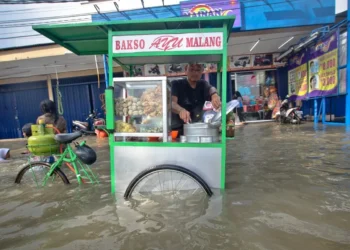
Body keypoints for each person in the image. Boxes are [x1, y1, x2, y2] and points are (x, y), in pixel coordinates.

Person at [171, 63, 221, 135]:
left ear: (202, 71)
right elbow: (172, 103)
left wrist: (214, 95)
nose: (195, 73)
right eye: (191, 70)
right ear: (186, 70)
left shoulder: (203, 84)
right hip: (177, 130)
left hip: (196, 129)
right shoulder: (176, 84)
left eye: (198, 70)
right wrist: (180, 110)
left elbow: (211, 88)